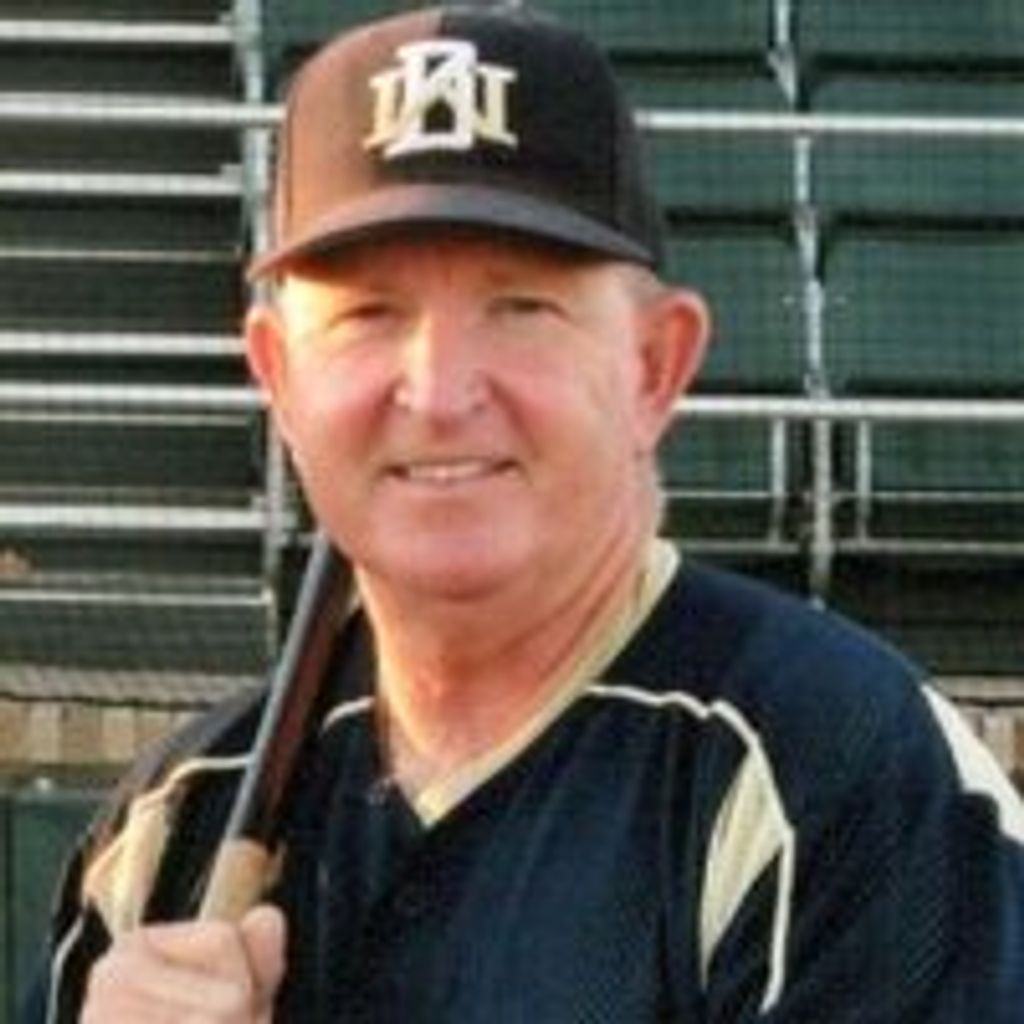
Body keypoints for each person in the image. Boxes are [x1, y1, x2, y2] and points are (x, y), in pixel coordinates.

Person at [24, 5, 1024, 1022]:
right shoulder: (170, 826)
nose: (439, 391)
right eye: (369, 314)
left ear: (655, 367)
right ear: (278, 380)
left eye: (521, 308)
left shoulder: (838, 771)